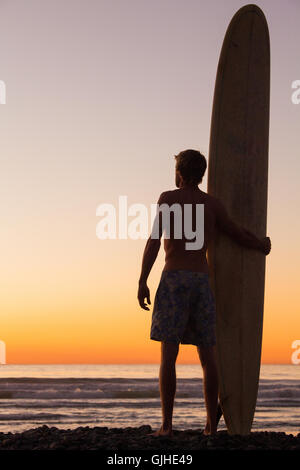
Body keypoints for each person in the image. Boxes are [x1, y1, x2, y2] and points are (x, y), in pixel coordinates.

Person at [137, 149, 271, 437]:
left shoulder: (168, 199)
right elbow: (237, 234)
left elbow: (153, 241)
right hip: (200, 279)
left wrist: (142, 280)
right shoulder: (212, 205)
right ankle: (211, 425)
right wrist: (260, 245)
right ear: (202, 174)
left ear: (180, 173)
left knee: (168, 356)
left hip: (173, 278)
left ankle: (167, 426)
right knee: (208, 357)